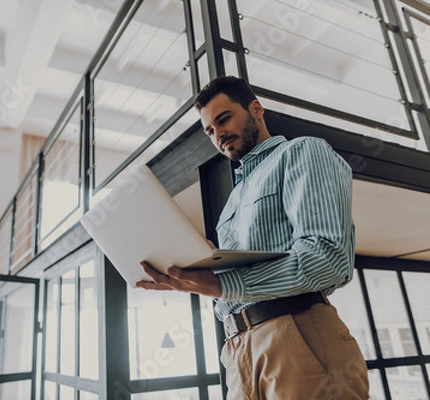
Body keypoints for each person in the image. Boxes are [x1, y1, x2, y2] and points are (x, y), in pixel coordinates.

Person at [136, 76, 369, 399]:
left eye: (223, 119)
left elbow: (328, 259)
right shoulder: (235, 198)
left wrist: (222, 284)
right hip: (235, 349)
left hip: (295, 333)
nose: (218, 134)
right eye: (209, 130)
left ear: (256, 109)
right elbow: (237, 280)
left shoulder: (302, 152)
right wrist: (189, 274)